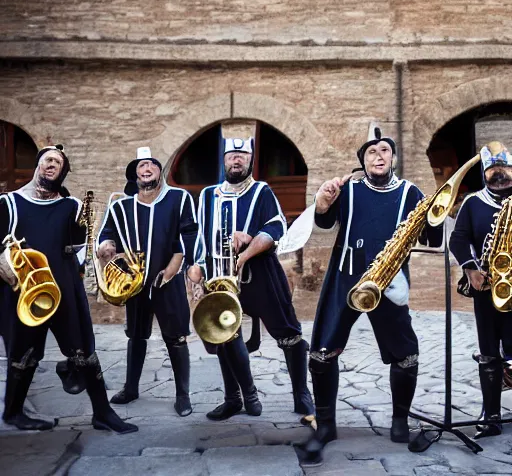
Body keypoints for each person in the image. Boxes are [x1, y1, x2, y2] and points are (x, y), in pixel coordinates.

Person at [297, 125, 442, 466]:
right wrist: (322, 201)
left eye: (384, 151)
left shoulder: (410, 192)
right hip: (345, 278)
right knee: (321, 352)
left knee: (406, 355)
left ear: (393, 157)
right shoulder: (348, 188)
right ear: (362, 160)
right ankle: (326, 425)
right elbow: (323, 221)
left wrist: (437, 212)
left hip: (388, 282)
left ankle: (399, 421)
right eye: (371, 152)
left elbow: (432, 239)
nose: (379, 157)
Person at [0, 144, 137, 433]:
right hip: (24, 291)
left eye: (58, 163)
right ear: (38, 164)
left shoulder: (71, 206)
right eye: (48, 160)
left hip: (64, 289)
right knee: (23, 353)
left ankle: (103, 413)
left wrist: (95, 240)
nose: (52, 165)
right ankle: (13, 413)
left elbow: (78, 248)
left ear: (63, 173)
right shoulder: (9, 203)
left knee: (84, 350)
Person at [189, 137, 314, 421]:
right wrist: (196, 265)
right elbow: (199, 236)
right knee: (223, 333)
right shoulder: (208, 194)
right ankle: (237, 398)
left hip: (261, 274)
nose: (237, 160)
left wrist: (248, 244)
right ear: (223, 160)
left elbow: (276, 225)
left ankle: (301, 394)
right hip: (219, 276)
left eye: (242, 156)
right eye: (232, 155)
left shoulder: (262, 191)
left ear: (250, 160)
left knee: (288, 332)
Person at [97, 147, 198, 417]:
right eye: (142, 166)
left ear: (159, 171)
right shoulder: (121, 206)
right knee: (136, 335)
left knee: (176, 337)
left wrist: (177, 264)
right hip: (134, 282)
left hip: (168, 279)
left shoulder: (179, 198)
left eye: (152, 164)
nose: (146, 169)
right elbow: (107, 233)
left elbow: (189, 232)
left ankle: (182, 395)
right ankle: (131, 388)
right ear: (135, 174)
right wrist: (106, 246)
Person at [450, 141, 512, 439]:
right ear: (484, 173)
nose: (499, 174)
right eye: (492, 170)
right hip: (487, 287)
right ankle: (492, 415)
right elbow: (458, 240)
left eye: (504, 168)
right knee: (489, 352)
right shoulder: (473, 203)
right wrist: (471, 268)